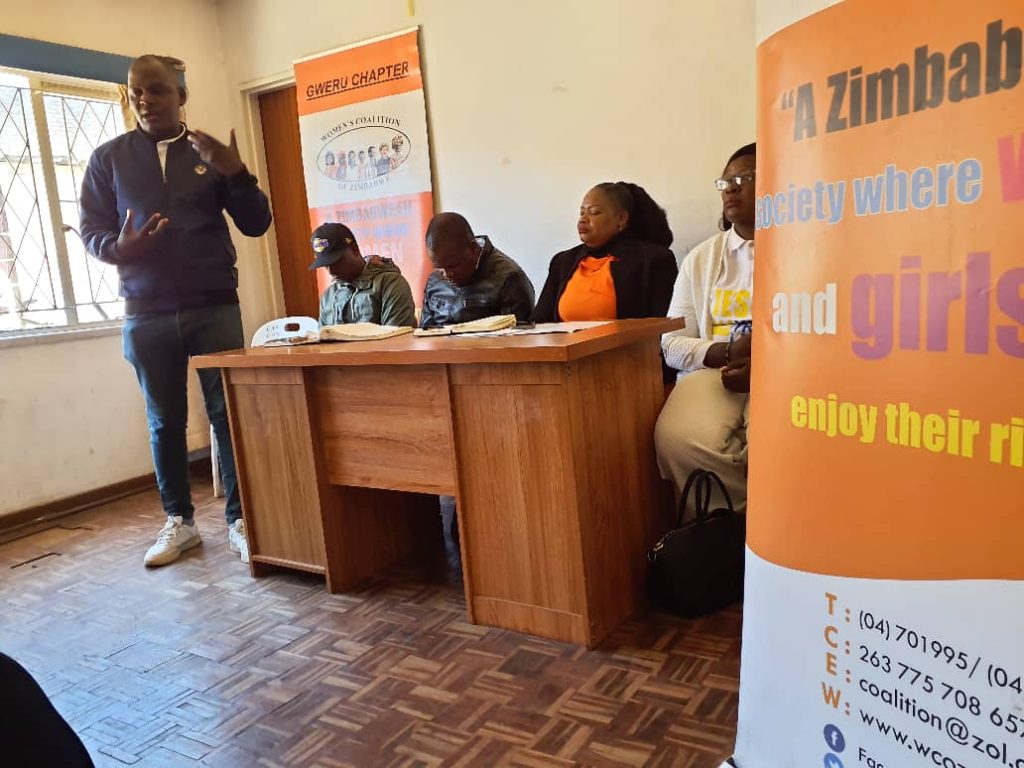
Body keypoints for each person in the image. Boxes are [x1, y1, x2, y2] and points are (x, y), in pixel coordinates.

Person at [79, 54, 272, 567]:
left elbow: (256, 223)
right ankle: (180, 522)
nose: (145, 100)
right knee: (164, 421)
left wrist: (238, 174)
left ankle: (241, 520)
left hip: (213, 305)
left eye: (157, 90)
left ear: (181, 95)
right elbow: (92, 232)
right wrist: (121, 249)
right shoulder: (108, 159)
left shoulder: (207, 153)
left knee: (227, 416)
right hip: (146, 312)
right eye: (136, 91)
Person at [654, 142, 756, 512]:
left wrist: (766, 365)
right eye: (726, 181)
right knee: (681, 437)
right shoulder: (701, 258)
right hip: (715, 368)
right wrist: (725, 352)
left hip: (787, 374)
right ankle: (731, 525)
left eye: (745, 178)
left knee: (782, 440)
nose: (731, 188)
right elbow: (672, 343)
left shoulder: (810, 247)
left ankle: (771, 531)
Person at [532, 182, 677, 322]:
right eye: (582, 212)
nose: (583, 219)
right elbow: (539, 322)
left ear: (621, 218)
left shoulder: (653, 259)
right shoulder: (563, 262)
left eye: (594, 212)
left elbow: (663, 326)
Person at [419, 212, 535, 328]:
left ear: (473, 248)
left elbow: (517, 336)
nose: (447, 274)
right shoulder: (434, 281)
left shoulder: (509, 280)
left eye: (453, 265)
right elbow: (424, 334)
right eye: (439, 268)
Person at [310, 222, 416, 327]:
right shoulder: (328, 296)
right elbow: (324, 336)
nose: (331, 271)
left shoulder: (390, 284)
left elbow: (396, 335)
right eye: (326, 265)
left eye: (337, 262)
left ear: (354, 249)